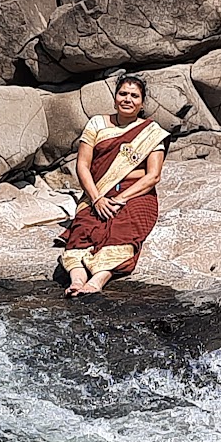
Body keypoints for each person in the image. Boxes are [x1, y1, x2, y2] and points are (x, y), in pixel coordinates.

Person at [57, 76, 168, 296]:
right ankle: (77, 279)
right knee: (83, 229)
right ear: (115, 98)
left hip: (136, 194)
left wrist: (119, 200)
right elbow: (82, 165)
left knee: (124, 229)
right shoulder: (97, 123)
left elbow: (153, 176)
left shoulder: (152, 132)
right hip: (97, 192)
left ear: (142, 103)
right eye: (123, 94)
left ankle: (98, 280)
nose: (128, 99)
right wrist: (97, 198)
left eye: (134, 96)